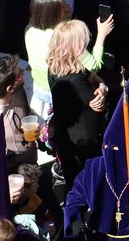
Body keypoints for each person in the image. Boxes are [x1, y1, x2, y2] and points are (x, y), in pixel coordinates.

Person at [22, 0, 108, 122]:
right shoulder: (64, 37)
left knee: (47, 133)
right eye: (62, 7)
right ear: (52, 14)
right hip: (62, 92)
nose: (68, 8)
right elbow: (94, 66)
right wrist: (102, 34)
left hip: (39, 91)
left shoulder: (30, 29)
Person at [46, 21, 107, 185]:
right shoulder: (75, 81)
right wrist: (103, 90)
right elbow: (99, 104)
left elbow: (92, 76)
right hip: (83, 142)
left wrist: (100, 85)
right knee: (88, 182)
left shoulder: (55, 67)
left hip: (65, 137)